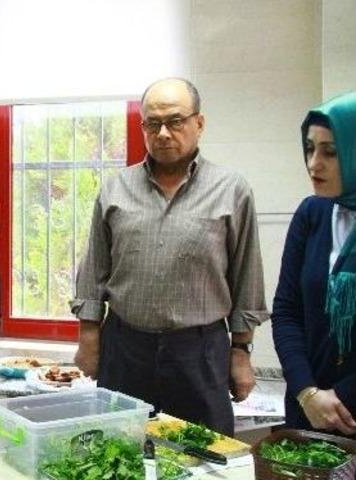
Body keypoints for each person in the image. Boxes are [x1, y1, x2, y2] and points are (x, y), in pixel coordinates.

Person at [72, 77, 268, 436]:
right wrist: (88, 340)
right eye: (152, 123)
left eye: (175, 121)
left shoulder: (231, 189)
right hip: (126, 347)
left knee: (204, 454)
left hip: (201, 351)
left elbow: (247, 277)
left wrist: (241, 352)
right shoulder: (116, 187)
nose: (163, 133)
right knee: (119, 452)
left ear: (199, 123)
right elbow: (94, 270)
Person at [271, 93, 356, 437]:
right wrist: (306, 392)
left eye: (330, 152)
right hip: (307, 410)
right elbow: (287, 310)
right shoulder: (312, 213)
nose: (313, 163)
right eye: (310, 148)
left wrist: (343, 396)